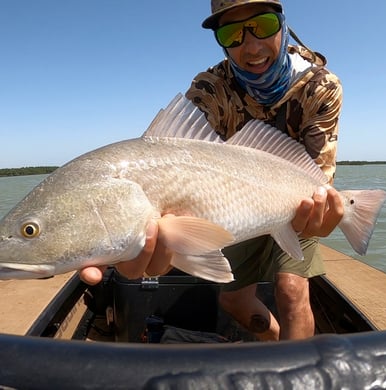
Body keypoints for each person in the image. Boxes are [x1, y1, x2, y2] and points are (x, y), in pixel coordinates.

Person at [80, 0, 344, 341]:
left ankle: (294, 374)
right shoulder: (211, 87)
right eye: (231, 33)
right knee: (234, 301)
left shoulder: (321, 86)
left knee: (292, 291)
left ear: (282, 23)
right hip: (237, 203)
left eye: (262, 25)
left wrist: (323, 211)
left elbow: (320, 175)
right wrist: (115, 240)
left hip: (294, 197)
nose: (250, 46)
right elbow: (173, 153)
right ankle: (277, 348)